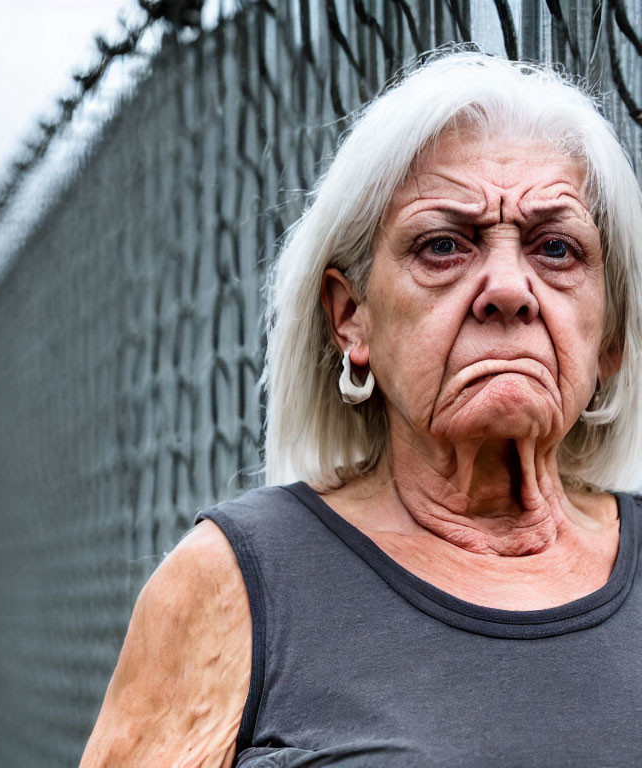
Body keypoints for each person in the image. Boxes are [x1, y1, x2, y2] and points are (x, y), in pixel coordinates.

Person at [80, 51, 642, 767]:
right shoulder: (237, 583)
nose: (508, 288)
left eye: (556, 248)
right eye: (444, 245)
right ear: (352, 318)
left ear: (614, 335)